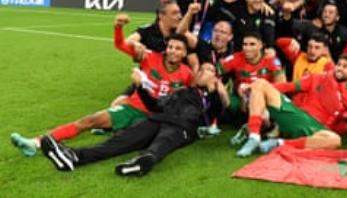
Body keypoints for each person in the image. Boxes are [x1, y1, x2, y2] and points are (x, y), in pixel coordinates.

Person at [10, 15, 193, 157]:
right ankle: (36, 143)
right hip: (133, 109)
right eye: (170, 47)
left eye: (178, 49)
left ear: (185, 53)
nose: (172, 51)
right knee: (89, 120)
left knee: (123, 143)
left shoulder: (187, 74)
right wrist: (118, 27)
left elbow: (190, 101)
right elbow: (120, 44)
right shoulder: (150, 57)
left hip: (154, 121)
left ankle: (93, 144)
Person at [40, 64, 228, 175]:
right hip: (157, 118)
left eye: (209, 70)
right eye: (202, 69)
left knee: (164, 142)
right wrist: (140, 88)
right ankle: (73, 157)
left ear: (216, 78)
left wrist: (215, 88)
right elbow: (155, 105)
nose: (204, 71)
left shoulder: (211, 100)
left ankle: (144, 161)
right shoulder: (180, 92)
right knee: (120, 141)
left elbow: (218, 111)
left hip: (183, 126)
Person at [235, 54, 347, 157]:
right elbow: (288, 86)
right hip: (298, 116)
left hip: (318, 129)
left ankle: (277, 144)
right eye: (339, 64)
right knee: (260, 83)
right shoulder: (317, 78)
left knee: (335, 140)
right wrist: (251, 86)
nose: (339, 68)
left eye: (345, 66)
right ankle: (253, 138)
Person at [220, 31, 286, 114]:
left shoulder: (271, 59)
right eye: (245, 44)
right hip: (241, 100)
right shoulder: (235, 58)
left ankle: (269, 122)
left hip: (265, 99)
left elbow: (281, 83)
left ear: (261, 45)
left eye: (252, 44)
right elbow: (216, 70)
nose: (247, 48)